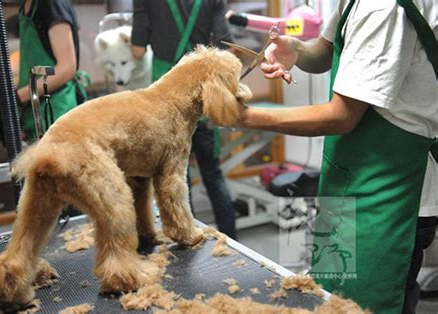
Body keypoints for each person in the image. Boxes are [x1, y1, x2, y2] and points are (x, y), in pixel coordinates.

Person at [236, 1, 437, 313]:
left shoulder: (381, 8)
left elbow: (342, 116)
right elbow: (328, 48)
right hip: (348, 180)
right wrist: (296, 50)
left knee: (367, 305)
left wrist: (244, 117)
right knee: (335, 298)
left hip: (391, 196)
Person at [131, 0, 237, 239]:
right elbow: (225, 46)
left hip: (165, 107)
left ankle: (184, 240)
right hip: (201, 99)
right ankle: (232, 241)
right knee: (214, 175)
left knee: (174, 176)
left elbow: (137, 51)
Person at [15, 0, 80, 141]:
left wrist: (16, 98)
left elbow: (66, 68)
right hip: (36, 115)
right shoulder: (25, 7)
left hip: (56, 114)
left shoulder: (51, 3)